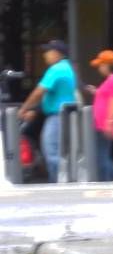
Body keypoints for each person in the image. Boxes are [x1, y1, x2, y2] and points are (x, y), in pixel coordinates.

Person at [17, 40, 78, 183]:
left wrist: (24, 108)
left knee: (51, 151)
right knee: (60, 152)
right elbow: (52, 95)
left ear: (57, 53)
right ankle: (61, 181)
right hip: (64, 115)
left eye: (48, 52)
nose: (45, 55)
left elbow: (39, 92)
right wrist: (36, 111)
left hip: (57, 117)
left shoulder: (56, 69)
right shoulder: (67, 67)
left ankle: (57, 184)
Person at [86, 49, 113, 182]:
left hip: (105, 124)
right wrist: (96, 91)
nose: (99, 68)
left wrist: (110, 123)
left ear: (107, 65)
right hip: (101, 123)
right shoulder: (111, 80)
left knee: (101, 157)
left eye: (101, 65)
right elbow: (107, 96)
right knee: (101, 155)